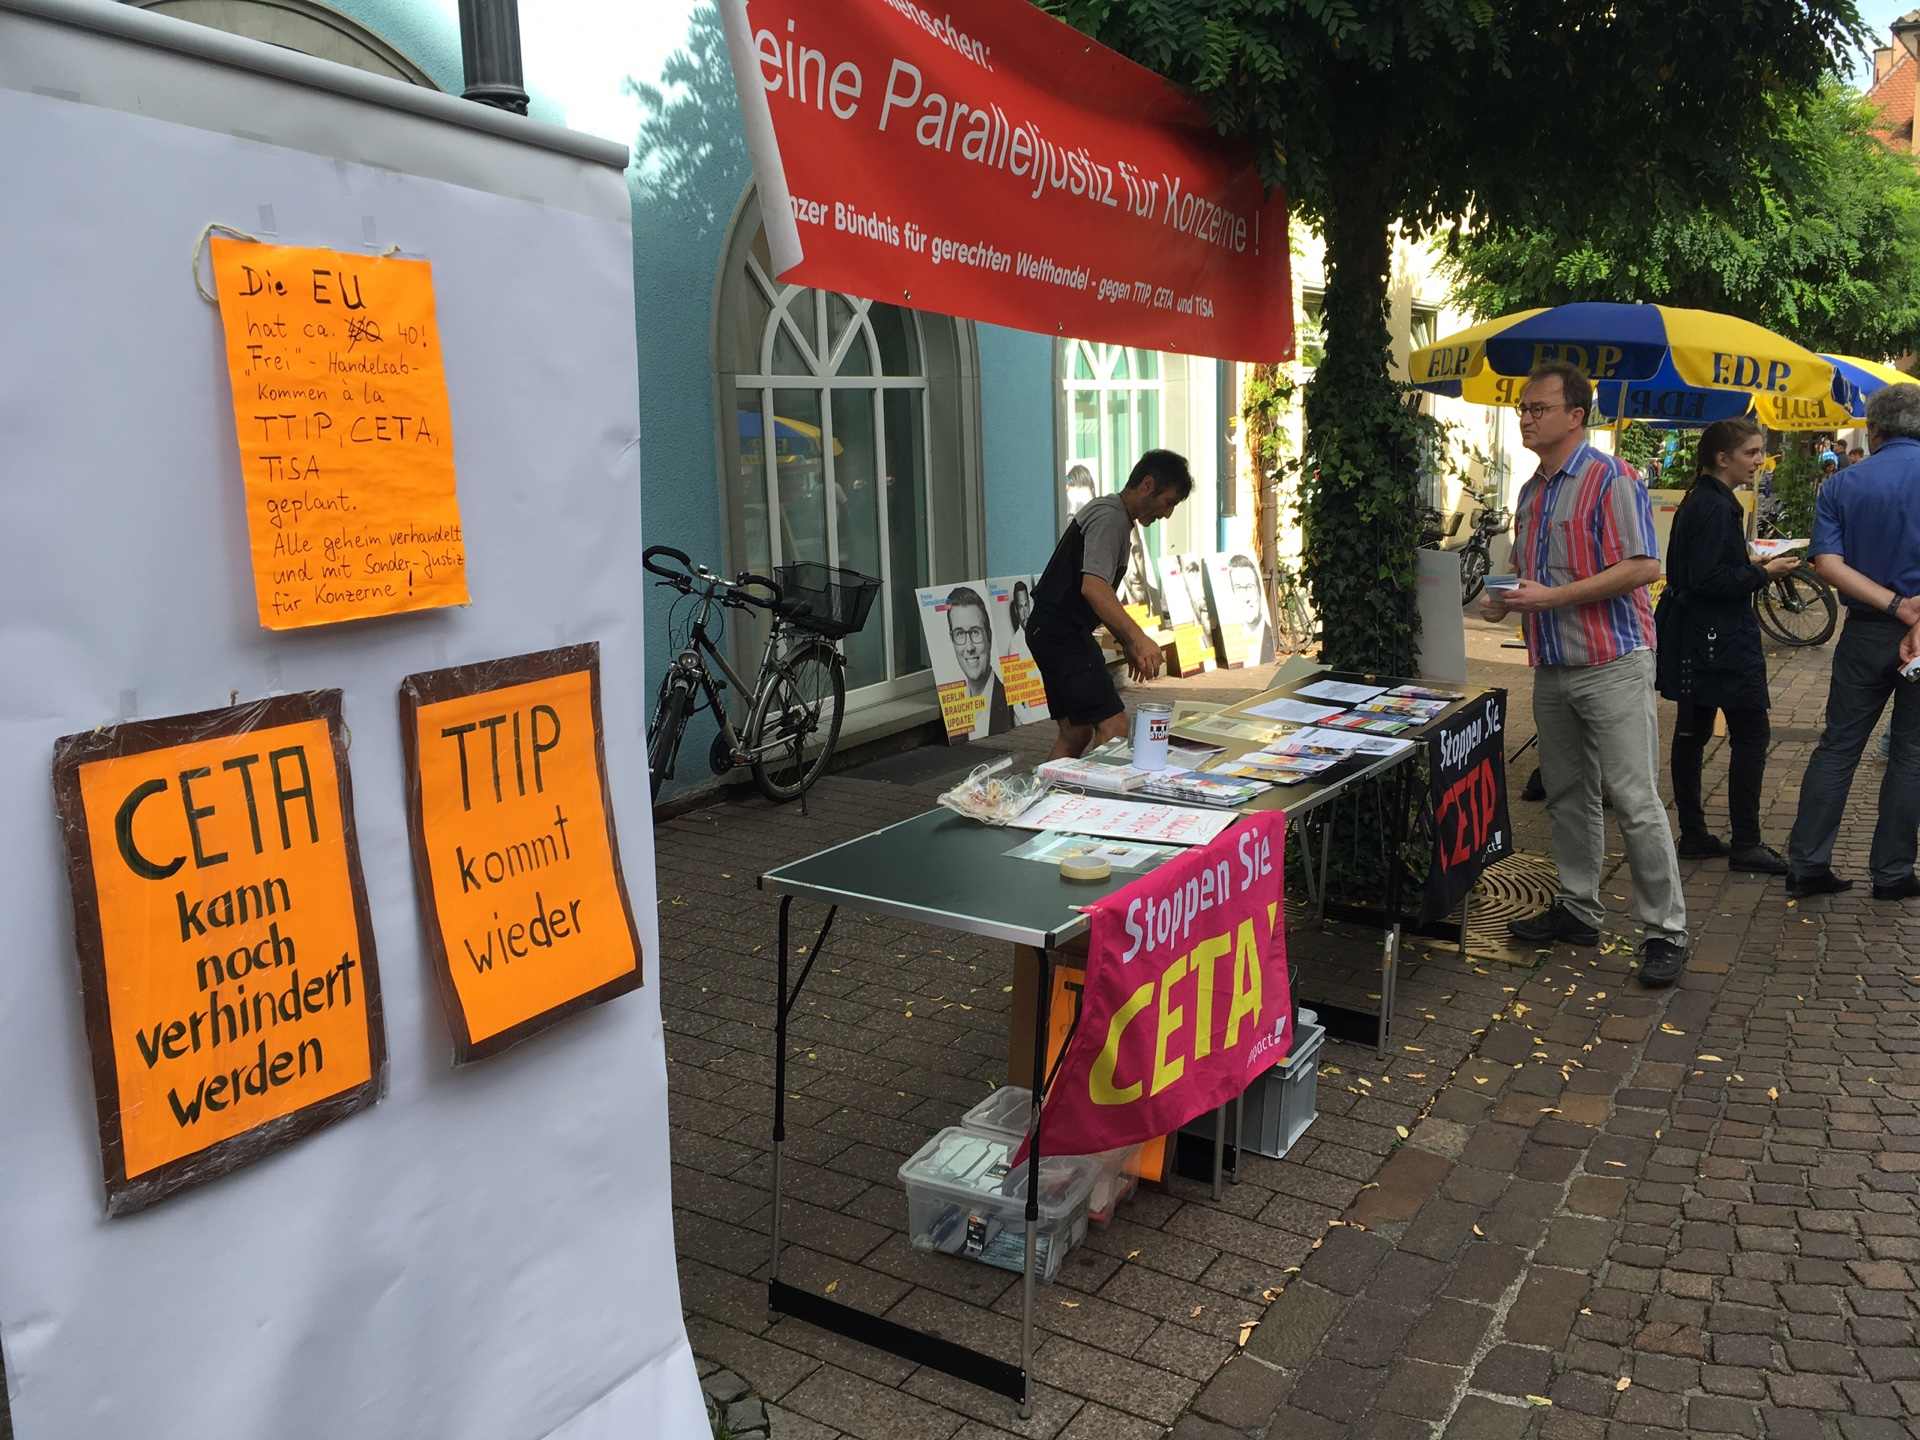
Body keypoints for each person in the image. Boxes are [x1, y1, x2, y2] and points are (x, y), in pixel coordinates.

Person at [1480, 361, 1689, 987]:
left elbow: (1645, 566)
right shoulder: (1531, 491)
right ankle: (1577, 907)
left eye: (1538, 408)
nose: (1525, 418)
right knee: (1568, 794)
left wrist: (1552, 598)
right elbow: (1531, 574)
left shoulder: (1612, 477)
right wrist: (1505, 599)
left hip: (1613, 662)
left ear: (1576, 416)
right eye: (1523, 408)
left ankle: (1665, 930)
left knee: (1635, 800)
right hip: (1552, 665)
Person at [1783, 384, 1920, 899]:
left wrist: (1895, 605)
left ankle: (1807, 864)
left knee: (1838, 746)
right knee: (1912, 754)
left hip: (1866, 629)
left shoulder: (1842, 484)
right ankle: (1893, 872)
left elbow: (1827, 563)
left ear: (1874, 429)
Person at [1654, 417, 1802, 874]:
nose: (1759, 461)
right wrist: (1763, 572)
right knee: (1750, 733)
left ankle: (1695, 833)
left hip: (1697, 636)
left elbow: (1702, 568)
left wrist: (1747, 560)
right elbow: (1709, 580)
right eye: (1751, 452)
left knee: (1692, 731)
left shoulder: (1702, 499)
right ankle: (1745, 841)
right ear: (1723, 458)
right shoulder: (1715, 505)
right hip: (1719, 640)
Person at [1027, 450, 1192, 759]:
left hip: (1051, 630)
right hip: (1062, 634)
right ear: (1147, 485)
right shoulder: (1111, 518)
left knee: (1076, 732)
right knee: (1114, 728)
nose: (1167, 514)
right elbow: (1094, 589)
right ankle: (1104, 790)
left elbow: (1092, 592)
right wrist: (1138, 638)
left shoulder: (1114, 515)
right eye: (1168, 502)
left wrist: (1126, 641)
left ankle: (1044, 788)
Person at [942, 585, 1013, 736]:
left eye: (975, 632)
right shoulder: (954, 709)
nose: (969, 647)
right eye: (960, 634)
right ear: (952, 640)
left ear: (989, 636)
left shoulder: (1012, 706)